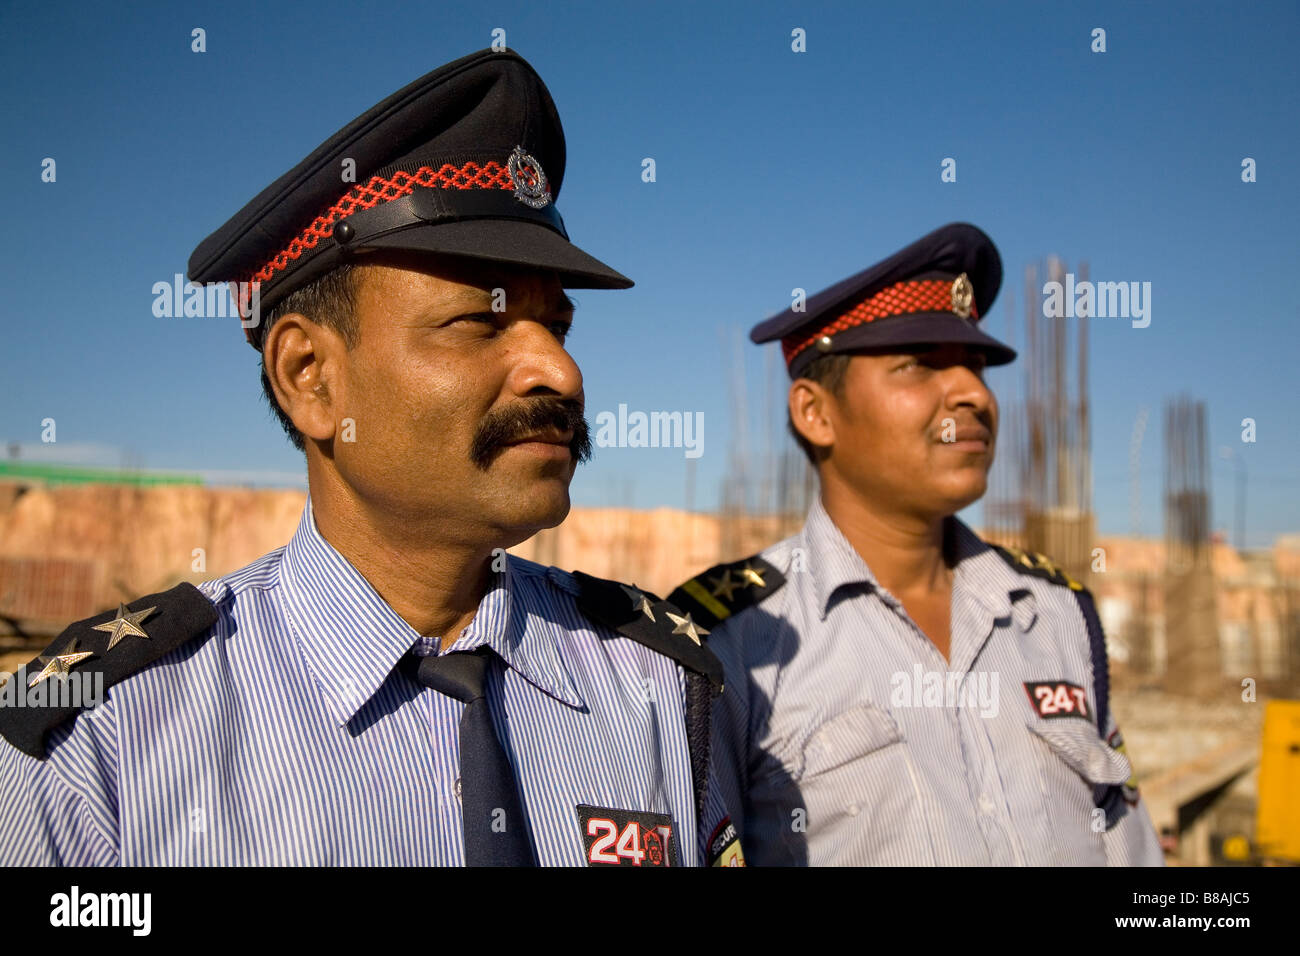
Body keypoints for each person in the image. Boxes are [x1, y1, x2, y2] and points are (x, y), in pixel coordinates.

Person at [0, 49, 741, 867]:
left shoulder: (660, 690)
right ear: (309, 378)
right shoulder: (96, 747)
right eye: (480, 323)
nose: (561, 373)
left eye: (557, 328)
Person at [670, 222, 1163, 866]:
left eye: (977, 368)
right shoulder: (728, 642)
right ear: (815, 412)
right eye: (920, 365)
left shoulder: (1056, 613)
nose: (974, 395)